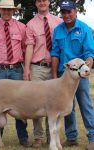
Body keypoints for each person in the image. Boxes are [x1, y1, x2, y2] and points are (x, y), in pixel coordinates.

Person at [0, 0, 31, 148]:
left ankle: (23, 138)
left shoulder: (22, 27)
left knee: (21, 104)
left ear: (14, 11)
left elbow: (25, 47)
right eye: (4, 9)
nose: (6, 12)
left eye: (9, 10)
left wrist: (25, 68)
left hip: (16, 70)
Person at [51, 0, 94, 150]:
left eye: (69, 11)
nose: (67, 15)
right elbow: (55, 53)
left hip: (79, 75)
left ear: (75, 11)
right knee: (67, 106)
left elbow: (89, 52)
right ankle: (71, 137)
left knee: (85, 104)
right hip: (64, 74)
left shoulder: (84, 29)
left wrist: (88, 64)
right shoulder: (58, 30)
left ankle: (93, 138)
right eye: (63, 12)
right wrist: (55, 74)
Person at [24, 0, 62, 148]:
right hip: (37, 67)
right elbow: (29, 47)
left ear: (49, 2)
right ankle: (38, 137)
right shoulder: (31, 24)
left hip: (55, 66)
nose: (42, 3)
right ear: (36, 3)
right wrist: (27, 69)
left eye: (44, 0)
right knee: (36, 102)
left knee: (53, 103)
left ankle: (51, 136)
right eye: (39, 0)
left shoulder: (59, 22)